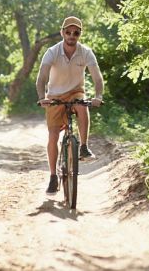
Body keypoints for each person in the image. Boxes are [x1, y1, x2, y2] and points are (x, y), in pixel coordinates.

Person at [36, 16, 104, 195]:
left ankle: (83, 146)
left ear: (80, 34)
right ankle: (52, 176)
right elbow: (42, 77)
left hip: (76, 92)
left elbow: (97, 77)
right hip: (55, 96)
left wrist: (98, 95)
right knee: (52, 136)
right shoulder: (52, 52)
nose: (72, 35)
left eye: (76, 32)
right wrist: (42, 97)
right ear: (62, 33)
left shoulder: (86, 52)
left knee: (83, 105)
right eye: (68, 32)